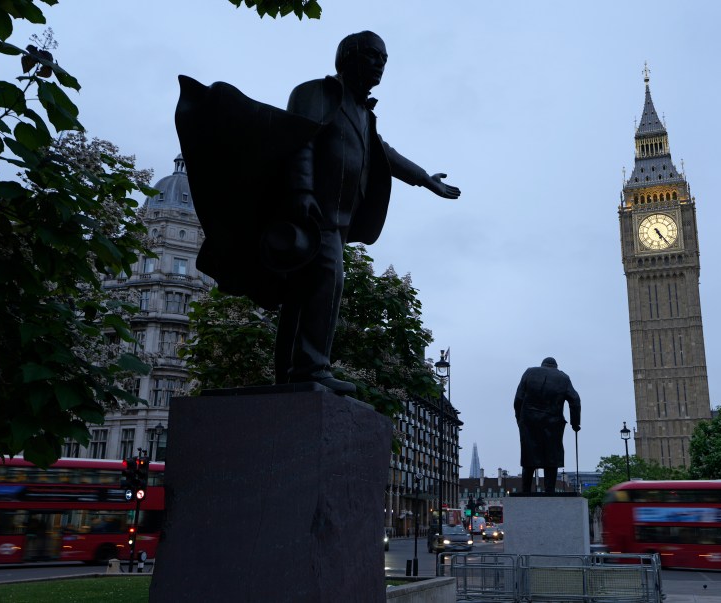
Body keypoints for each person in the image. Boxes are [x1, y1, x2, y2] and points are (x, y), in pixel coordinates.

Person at [175, 31, 460, 395]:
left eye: (384, 59)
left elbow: (384, 153)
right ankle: (311, 369)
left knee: (304, 295)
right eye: (372, 55)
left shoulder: (363, 115)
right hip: (314, 213)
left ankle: (293, 375)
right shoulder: (316, 93)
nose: (379, 64)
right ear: (347, 56)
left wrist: (424, 179)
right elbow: (301, 140)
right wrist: (302, 191)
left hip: (340, 221)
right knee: (327, 281)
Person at [514, 357, 581, 493]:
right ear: (555, 366)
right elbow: (575, 400)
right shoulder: (563, 377)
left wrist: (519, 419)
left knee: (529, 455)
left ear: (542, 365)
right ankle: (549, 490)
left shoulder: (529, 372)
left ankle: (525, 490)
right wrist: (575, 423)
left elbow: (518, 399)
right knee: (552, 456)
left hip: (529, 421)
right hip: (553, 422)